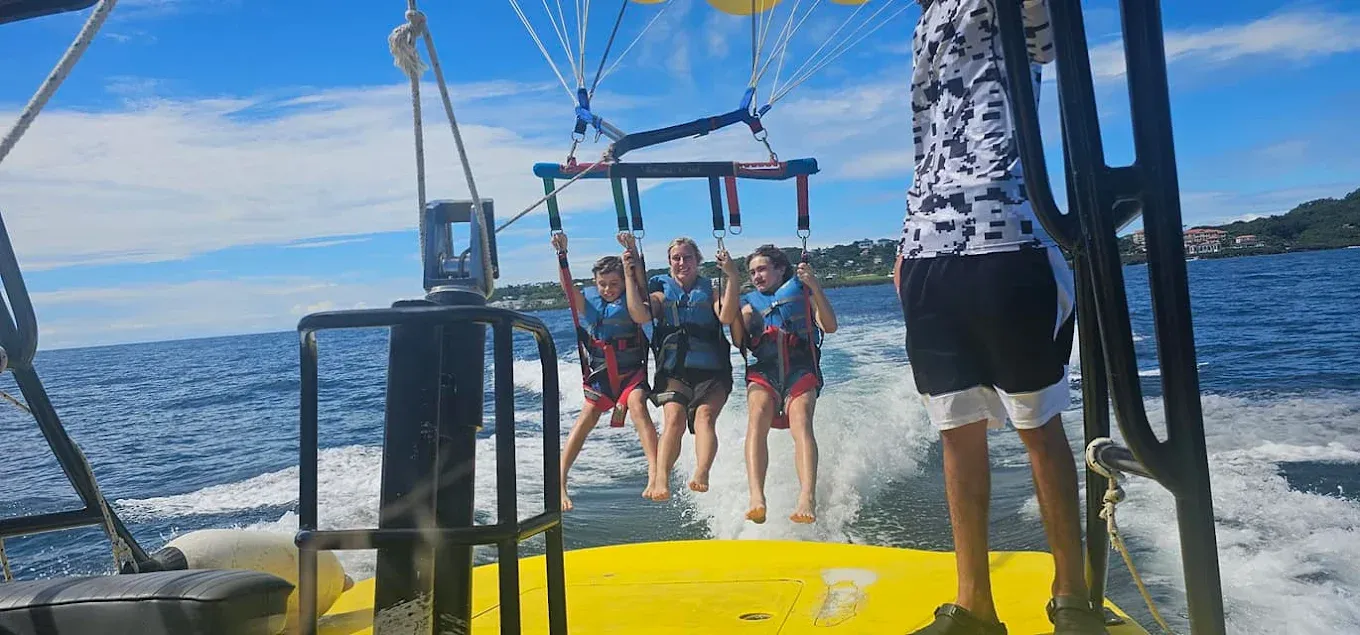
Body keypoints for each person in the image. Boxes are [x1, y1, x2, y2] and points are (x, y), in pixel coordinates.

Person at [896, 0, 1108, 633]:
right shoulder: (926, 15)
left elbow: (1045, 43)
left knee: (1036, 422)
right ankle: (974, 607)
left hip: (1009, 229)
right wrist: (905, 246)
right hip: (928, 243)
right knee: (954, 426)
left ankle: (1070, 594)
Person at [620, 234, 740, 501]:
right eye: (676, 258)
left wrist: (732, 277)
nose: (682, 262)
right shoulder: (660, 289)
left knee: (705, 417)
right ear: (669, 262)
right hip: (674, 370)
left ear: (698, 261)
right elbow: (641, 315)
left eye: (687, 257)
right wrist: (629, 276)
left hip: (712, 371)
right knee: (673, 419)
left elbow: (727, 315)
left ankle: (702, 472)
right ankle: (660, 478)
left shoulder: (711, 289)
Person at [551, 233, 660, 511]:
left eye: (614, 284)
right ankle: (560, 482)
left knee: (637, 405)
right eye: (603, 285)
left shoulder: (633, 296)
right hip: (601, 375)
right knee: (586, 418)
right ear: (595, 284)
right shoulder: (590, 304)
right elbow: (568, 288)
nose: (609, 290)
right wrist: (562, 255)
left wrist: (631, 253)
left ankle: (654, 472)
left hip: (631, 374)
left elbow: (640, 277)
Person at [731, 245, 837, 525]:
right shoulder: (749, 305)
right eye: (752, 272)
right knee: (756, 418)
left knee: (801, 421)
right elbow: (738, 341)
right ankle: (757, 496)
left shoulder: (802, 292)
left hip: (800, 370)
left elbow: (830, 326)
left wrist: (814, 285)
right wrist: (733, 308)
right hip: (764, 372)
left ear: (780, 268)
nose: (757, 276)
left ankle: (806, 497)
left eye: (762, 269)